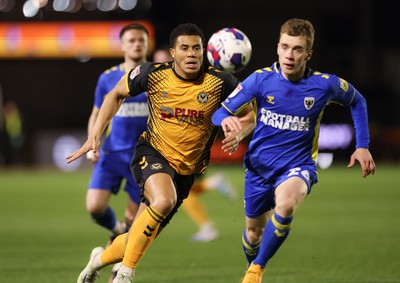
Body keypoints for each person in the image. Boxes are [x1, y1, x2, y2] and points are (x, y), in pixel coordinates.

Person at [67, 23, 254, 283]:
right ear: (172, 52)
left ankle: (95, 262)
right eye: (184, 48)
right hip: (152, 154)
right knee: (163, 200)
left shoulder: (222, 82)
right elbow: (115, 94)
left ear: (204, 52)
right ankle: (125, 274)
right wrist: (95, 135)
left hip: (186, 171)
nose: (191, 54)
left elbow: (249, 115)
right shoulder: (152, 73)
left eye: (196, 49)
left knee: (138, 236)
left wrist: (239, 132)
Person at [211, 18, 376, 283]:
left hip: (298, 167)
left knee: (286, 205)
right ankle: (252, 264)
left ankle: (256, 271)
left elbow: (358, 100)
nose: (290, 54)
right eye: (285, 47)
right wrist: (226, 120)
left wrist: (363, 146)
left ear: (308, 54)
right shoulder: (260, 80)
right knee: (253, 234)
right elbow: (218, 113)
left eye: (297, 49)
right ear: (277, 47)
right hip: (259, 169)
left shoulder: (325, 85)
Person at [152, 44, 238, 242]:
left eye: (162, 62)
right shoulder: (158, 86)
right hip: (172, 150)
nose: (159, 66)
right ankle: (216, 184)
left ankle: (207, 227)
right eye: (156, 62)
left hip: (191, 150)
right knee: (183, 191)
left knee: (182, 193)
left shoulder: (191, 86)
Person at [84, 23, 149, 281]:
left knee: (135, 220)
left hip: (143, 158)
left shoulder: (155, 77)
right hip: (112, 155)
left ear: (146, 44)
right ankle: (115, 229)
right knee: (95, 207)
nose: (136, 44)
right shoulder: (108, 78)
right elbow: (97, 114)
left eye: (141, 40)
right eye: (131, 40)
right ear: (122, 46)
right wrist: (93, 141)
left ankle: (117, 271)